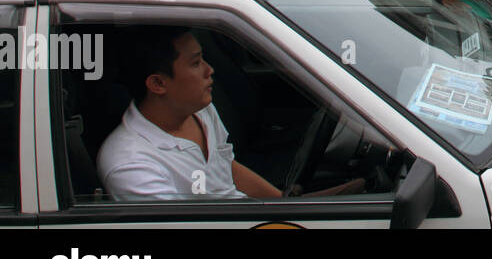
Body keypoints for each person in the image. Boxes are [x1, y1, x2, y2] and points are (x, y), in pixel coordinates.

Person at [97, 27, 360, 201]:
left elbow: (226, 167)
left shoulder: (199, 110)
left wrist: (285, 206)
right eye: (196, 63)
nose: (210, 70)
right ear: (158, 84)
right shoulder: (131, 166)